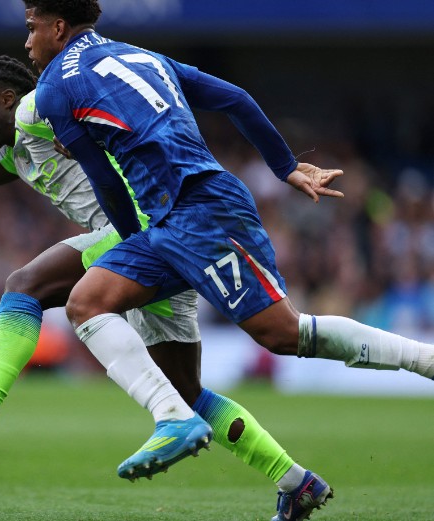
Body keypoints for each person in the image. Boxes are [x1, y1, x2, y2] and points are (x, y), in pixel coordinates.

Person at [0, 55, 335, 518]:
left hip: (144, 231)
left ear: (8, 99)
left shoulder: (41, 111)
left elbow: (91, 117)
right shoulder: (15, 153)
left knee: (25, 284)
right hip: (157, 248)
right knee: (188, 392)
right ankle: (296, 482)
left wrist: (74, 128)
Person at [23, 0, 434, 519]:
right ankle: (269, 469)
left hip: (198, 211)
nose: (28, 43)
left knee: (282, 333)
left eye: (31, 28)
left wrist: (129, 241)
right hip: (175, 218)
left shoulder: (54, 87)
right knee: (87, 303)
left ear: (58, 28)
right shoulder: (141, 55)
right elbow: (235, 98)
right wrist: (285, 166)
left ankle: (426, 360)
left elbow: (105, 180)